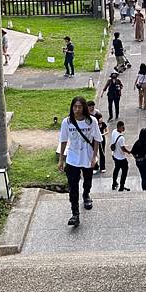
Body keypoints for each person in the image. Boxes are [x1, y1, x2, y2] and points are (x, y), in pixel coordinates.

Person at [58, 96, 102, 226]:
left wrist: (94, 156)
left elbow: (97, 140)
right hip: (72, 158)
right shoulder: (67, 122)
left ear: (84, 108)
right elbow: (64, 141)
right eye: (75, 107)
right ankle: (75, 213)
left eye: (80, 107)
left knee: (87, 180)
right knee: (73, 187)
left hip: (87, 157)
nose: (77, 109)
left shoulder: (91, 121)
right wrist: (61, 159)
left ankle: (86, 194)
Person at [111, 120, 131, 192]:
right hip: (121, 158)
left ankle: (114, 183)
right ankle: (121, 186)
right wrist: (128, 151)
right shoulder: (121, 138)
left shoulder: (114, 131)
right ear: (119, 127)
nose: (124, 129)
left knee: (116, 169)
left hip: (115, 155)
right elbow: (123, 148)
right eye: (122, 127)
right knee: (124, 171)